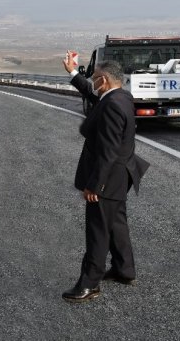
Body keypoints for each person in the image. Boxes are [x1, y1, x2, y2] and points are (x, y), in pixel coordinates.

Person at [61, 51, 149, 303]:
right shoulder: (120, 96)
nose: (94, 82)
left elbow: (108, 152)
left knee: (98, 231)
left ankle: (89, 284)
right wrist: (73, 73)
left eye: (96, 78)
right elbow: (93, 96)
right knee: (116, 225)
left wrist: (94, 185)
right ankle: (124, 270)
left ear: (105, 80)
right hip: (120, 177)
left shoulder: (111, 105)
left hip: (107, 179)